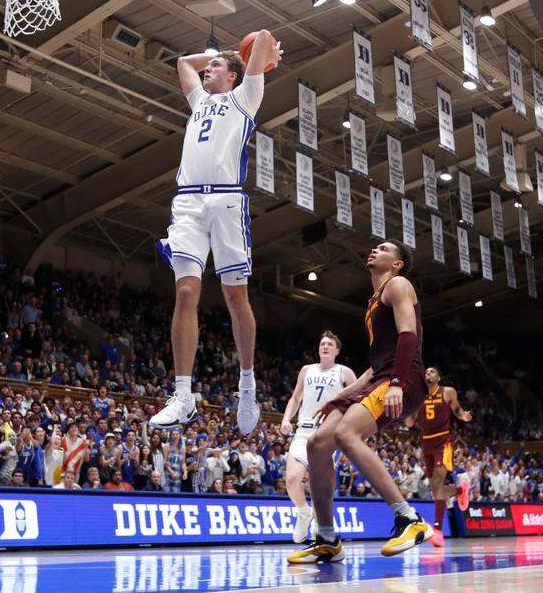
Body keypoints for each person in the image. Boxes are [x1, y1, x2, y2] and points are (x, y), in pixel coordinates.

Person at [150, 30, 283, 435]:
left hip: (226, 202)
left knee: (233, 296)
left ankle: (246, 387)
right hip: (188, 203)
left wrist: (259, 51)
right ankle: (184, 396)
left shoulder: (245, 98)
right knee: (186, 292)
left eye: (216, 67)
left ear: (233, 76)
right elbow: (182, 64)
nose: (206, 69)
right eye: (209, 67)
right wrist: (214, 54)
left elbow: (260, 38)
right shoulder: (199, 101)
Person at [288, 241, 430, 564]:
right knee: (317, 443)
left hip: (403, 377)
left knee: (347, 434)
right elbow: (376, 365)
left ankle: (409, 518)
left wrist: (396, 383)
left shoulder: (398, 285)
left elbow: (409, 335)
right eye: (375, 247)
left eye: (384, 249)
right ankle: (326, 538)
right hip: (381, 377)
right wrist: (340, 395)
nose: (374, 250)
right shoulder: (373, 303)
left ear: (397, 264)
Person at [279, 331, 356, 543]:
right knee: (293, 479)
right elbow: (295, 398)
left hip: (326, 434)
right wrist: (286, 419)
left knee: (319, 485)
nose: (325, 346)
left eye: (330, 344)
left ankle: (321, 522)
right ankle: (303, 512)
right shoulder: (307, 370)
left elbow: (357, 402)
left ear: (337, 350)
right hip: (303, 430)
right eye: (322, 343)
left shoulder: (345, 372)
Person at [404, 366, 471, 547]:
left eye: (432, 372)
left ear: (439, 377)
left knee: (438, 484)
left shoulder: (447, 392)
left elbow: (457, 410)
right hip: (426, 443)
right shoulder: (419, 398)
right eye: (426, 372)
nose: (428, 374)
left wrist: (464, 416)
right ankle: (459, 491)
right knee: (435, 489)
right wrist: (407, 406)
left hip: (443, 442)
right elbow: (409, 423)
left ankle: (437, 529)